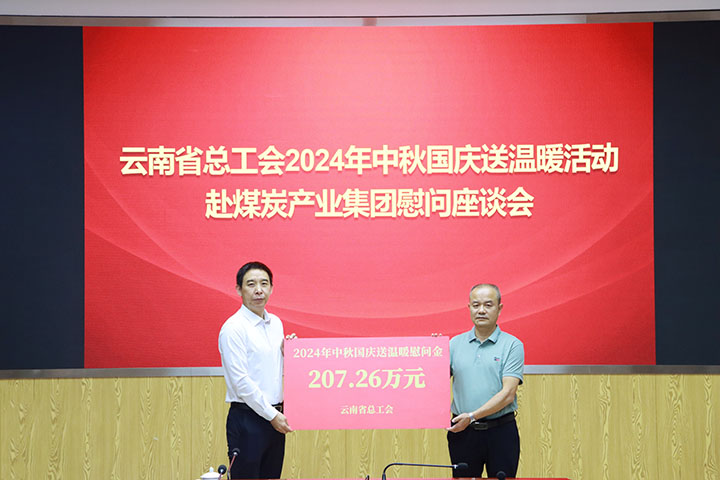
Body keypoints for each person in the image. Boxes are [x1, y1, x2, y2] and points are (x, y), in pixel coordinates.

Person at [218, 261, 293, 479]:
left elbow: (269, 369)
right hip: (247, 419)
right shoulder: (233, 328)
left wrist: (289, 353)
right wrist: (272, 415)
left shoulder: (276, 323)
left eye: (264, 283)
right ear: (239, 289)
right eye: (251, 284)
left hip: (275, 418)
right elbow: (241, 382)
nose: (258, 290)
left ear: (271, 288)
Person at [446, 284, 524, 478]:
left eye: (488, 305)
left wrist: (472, 416)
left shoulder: (512, 345)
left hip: (501, 432)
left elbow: (508, 394)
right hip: (463, 432)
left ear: (499, 308)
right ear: (469, 308)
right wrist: (433, 351)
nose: (481, 310)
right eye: (476, 305)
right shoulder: (453, 344)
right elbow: (433, 382)